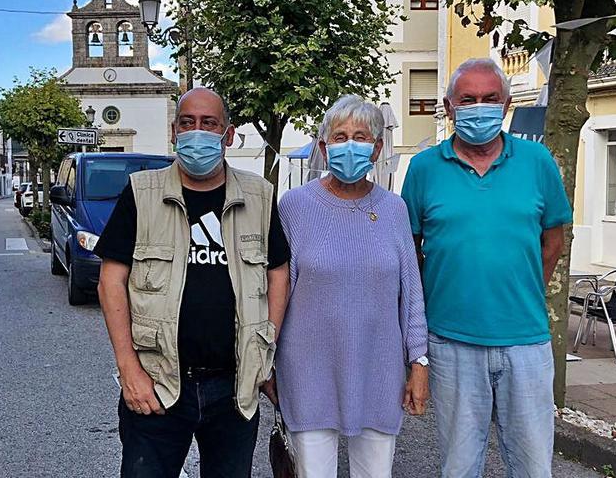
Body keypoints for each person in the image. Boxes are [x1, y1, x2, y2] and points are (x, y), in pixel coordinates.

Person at [95, 87, 291, 477]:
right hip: (157, 383)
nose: (197, 132)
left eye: (209, 123)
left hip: (234, 388)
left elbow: (278, 271)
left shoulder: (259, 195)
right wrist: (129, 370)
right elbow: (110, 281)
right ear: (174, 131)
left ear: (228, 135)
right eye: (188, 123)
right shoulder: (142, 193)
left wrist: (265, 349)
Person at [401, 58, 573, 478]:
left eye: (490, 99)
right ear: (448, 106)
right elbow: (409, 249)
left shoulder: (537, 161)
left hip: (527, 343)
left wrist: (523, 290)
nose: (480, 107)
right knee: (459, 467)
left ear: (507, 103)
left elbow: (554, 240)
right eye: (469, 99)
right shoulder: (423, 168)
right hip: (451, 342)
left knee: (533, 467)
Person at [272, 94, 429, 477]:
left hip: (378, 369)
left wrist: (419, 362)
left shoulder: (394, 209)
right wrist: (265, 361)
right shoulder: (294, 206)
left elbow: (411, 293)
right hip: (307, 370)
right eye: (339, 136)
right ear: (323, 147)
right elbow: (276, 292)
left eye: (361, 136)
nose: (349, 145)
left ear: (376, 148)